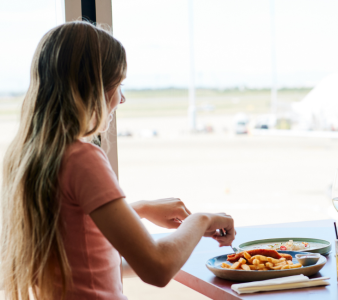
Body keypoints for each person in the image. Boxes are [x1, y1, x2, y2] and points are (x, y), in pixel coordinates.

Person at [0, 21, 235, 300]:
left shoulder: (28, 156)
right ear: (93, 87)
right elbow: (157, 269)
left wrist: (140, 210)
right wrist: (200, 220)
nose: (121, 99)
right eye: (118, 84)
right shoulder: (82, 158)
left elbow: (85, 258)